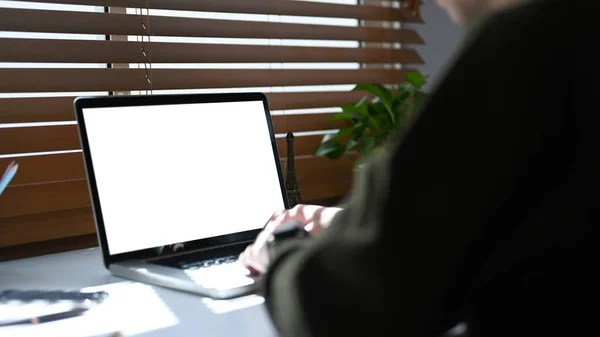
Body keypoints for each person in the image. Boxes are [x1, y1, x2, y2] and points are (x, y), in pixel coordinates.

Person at [240, 0, 596, 336]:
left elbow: (350, 306)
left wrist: (279, 252)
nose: (434, 4)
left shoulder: (529, 45)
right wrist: (357, 225)